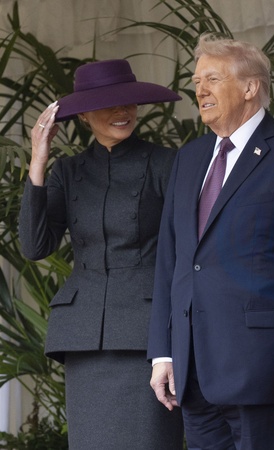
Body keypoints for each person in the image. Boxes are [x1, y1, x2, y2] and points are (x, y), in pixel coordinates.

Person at [146, 34, 274, 450]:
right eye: (197, 82)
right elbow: (171, 261)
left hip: (264, 375)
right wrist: (163, 352)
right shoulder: (188, 158)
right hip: (193, 372)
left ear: (250, 88)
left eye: (212, 79)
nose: (200, 90)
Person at [19, 59, 184, 449]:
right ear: (84, 114)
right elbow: (35, 245)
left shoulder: (166, 164)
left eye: (128, 102)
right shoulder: (67, 171)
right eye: (109, 104)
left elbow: (186, 249)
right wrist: (38, 161)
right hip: (83, 337)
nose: (122, 112)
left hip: (147, 335)